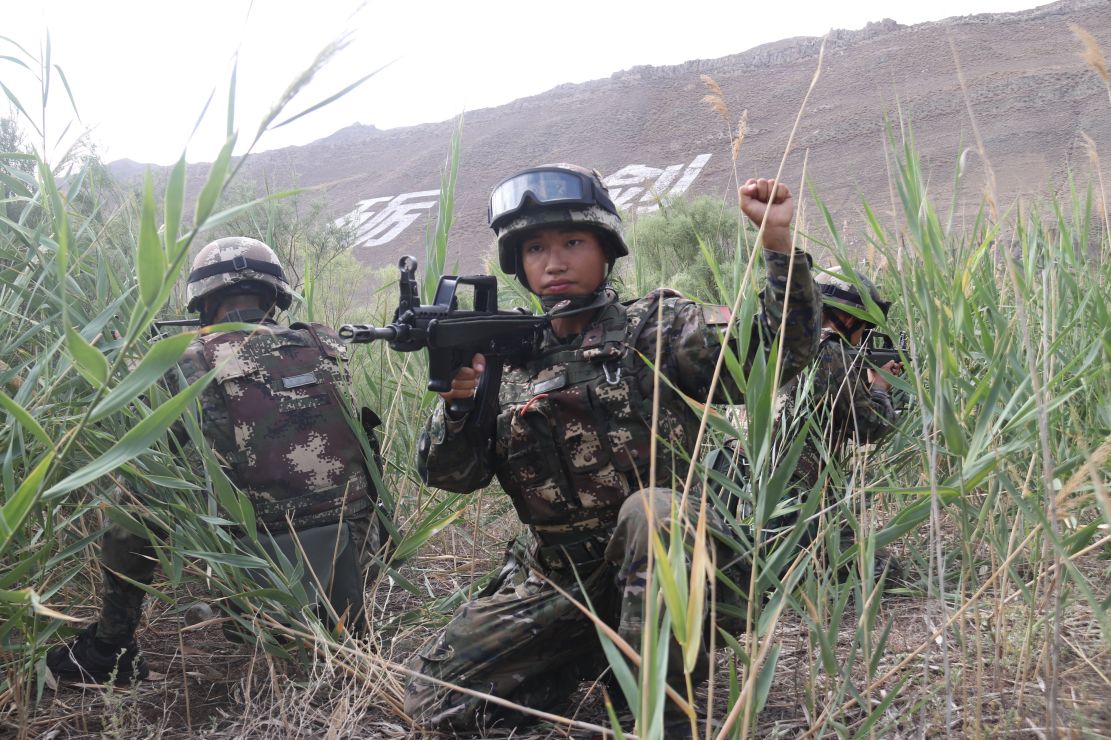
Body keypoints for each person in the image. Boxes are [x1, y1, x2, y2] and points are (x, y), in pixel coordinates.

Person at [404, 164, 822, 732]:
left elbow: (774, 356)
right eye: (534, 248)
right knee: (435, 702)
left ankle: (660, 709)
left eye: (573, 242)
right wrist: (459, 406)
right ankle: (588, 660)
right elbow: (453, 475)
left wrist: (777, 241)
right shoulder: (502, 358)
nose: (554, 262)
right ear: (517, 264)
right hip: (560, 577)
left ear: (605, 251)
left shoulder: (654, 327)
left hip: (675, 563)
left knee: (656, 512)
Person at [47, 237, 384, 685]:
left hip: (262, 589)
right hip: (353, 579)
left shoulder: (184, 361)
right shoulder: (324, 347)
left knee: (132, 489)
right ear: (276, 296)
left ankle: (112, 648)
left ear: (203, 302)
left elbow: (149, 458)